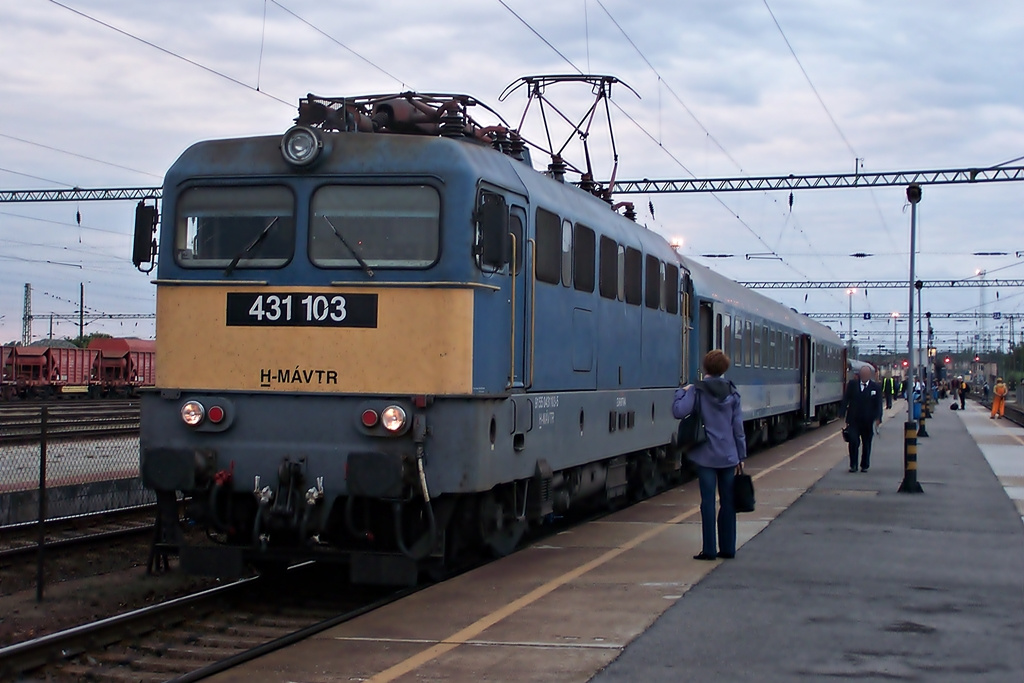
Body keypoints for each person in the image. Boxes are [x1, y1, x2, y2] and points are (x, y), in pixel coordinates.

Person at [673, 350, 746, 561]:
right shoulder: (733, 393)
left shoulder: (697, 391)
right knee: (728, 501)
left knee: (707, 502)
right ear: (724, 368)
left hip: (705, 455)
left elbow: (679, 411)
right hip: (728, 455)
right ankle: (728, 548)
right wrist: (741, 455)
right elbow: (738, 428)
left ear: (705, 367)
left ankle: (709, 550)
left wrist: (681, 392)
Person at [840, 364, 883, 473]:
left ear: (869, 375)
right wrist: (842, 412)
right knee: (853, 441)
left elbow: (878, 404)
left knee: (867, 443)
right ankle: (853, 465)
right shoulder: (852, 385)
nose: (864, 376)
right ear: (860, 375)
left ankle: (864, 465)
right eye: (863, 374)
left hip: (868, 421)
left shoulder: (875, 387)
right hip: (854, 420)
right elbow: (846, 399)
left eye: (866, 374)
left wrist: (878, 418)